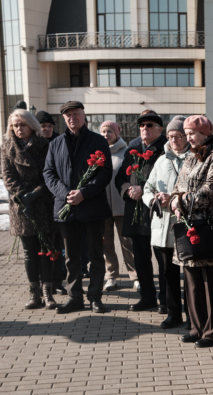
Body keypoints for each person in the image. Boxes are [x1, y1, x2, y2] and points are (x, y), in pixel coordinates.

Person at [43, 101, 113, 314]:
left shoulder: (98, 141)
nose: (72, 118)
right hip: (66, 208)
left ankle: (95, 297)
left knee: (95, 255)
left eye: (76, 114)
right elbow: (48, 173)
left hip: (92, 207)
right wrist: (65, 194)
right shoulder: (55, 144)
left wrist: (84, 193)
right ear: (63, 119)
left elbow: (105, 173)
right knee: (71, 257)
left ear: (84, 116)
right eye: (68, 115)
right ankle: (75, 297)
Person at [170, 116, 213, 347]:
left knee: (212, 282)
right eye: (186, 134)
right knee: (192, 280)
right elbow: (178, 186)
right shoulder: (189, 156)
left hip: (212, 226)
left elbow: (212, 191)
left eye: (193, 133)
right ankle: (197, 328)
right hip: (189, 226)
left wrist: (180, 201)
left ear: (206, 133)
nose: (189, 138)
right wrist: (175, 201)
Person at [1, 109, 56, 310]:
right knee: (29, 252)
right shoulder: (7, 147)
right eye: (15, 125)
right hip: (21, 205)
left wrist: (36, 194)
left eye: (22, 125)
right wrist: (24, 197)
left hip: (43, 203)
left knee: (45, 250)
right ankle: (35, 294)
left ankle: (48, 293)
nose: (18, 129)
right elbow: (8, 177)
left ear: (32, 126)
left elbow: (49, 174)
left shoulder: (46, 146)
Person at [115, 111, 168, 312]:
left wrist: (143, 189)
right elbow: (119, 178)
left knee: (163, 260)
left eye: (149, 125)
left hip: (157, 213)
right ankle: (147, 297)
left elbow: (167, 180)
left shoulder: (166, 149)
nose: (144, 128)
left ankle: (165, 300)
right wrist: (128, 189)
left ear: (159, 129)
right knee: (141, 259)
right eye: (142, 126)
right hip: (136, 215)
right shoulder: (133, 150)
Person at [143, 115, 190, 329]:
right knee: (167, 273)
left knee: (189, 274)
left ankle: (192, 314)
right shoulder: (162, 160)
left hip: (186, 225)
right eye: (171, 137)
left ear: (187, 137)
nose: (174, 141)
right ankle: (173, 312)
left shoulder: (195, 158)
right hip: (162, 227)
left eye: (179, 136)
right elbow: (147, 188)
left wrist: (173, 199)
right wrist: (154, 199)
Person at [99, 120, 137, 292]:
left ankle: (135, 276)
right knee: (106, 244)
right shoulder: (98, 152)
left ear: (117, 133)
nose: (106, 135)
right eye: (104, 132)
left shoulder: (126, 151)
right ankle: (111, 276)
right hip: (103, 207)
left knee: (127, 243)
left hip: (122, 206)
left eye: (109, 132)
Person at [36, 110, 65, 296]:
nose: (46, 129)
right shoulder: (34, 144)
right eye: (43, 126)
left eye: (49, 126)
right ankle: (43, 282)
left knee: (58, 245)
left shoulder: (59, 142)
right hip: (39, 202)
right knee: (41, 246)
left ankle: (58, 281)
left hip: (57, 199)